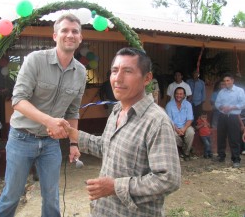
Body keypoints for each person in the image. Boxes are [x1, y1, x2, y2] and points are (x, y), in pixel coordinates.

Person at [57, 47, 181, 217]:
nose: (118, 78)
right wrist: (71, 132)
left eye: (128, 71)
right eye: (114, 71)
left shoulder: (156, 121)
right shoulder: (117, 110)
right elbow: (106, 147)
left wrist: (115, 186)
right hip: (104, 210)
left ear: (147, 78)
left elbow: (169, 180)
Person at [0, 13, 86, 217]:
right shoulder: (36, 60)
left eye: (75, 31)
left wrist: (73, 144)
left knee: (51, 197)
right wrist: (49, 121)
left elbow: (73, 111)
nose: (70, 35)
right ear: (55, 36)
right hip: (21, 138)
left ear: (80, 38)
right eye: (65, 30)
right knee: (11, 195)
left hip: (51, 143)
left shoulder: (81, 72)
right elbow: (18, 100)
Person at [215, 72, 245, 168]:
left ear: (232, 81)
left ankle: (236, 159)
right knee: (221, 137)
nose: (226, 82)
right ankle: (221, 156)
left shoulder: (239, 91)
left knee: (234, 138)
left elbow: (243, 104)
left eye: (228, 80)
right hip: (222, 116)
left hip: (233, 117)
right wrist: (222, 107)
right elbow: (217, 103)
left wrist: (231, 108)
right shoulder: (222, 92)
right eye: (224, 81)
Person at [166, 87, 195, 161]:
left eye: (181, 94)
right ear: (174, 94)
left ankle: (186, 153)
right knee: (172, 135)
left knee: (191, 132)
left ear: (184, 95)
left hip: (185, 126)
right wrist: (177, 130)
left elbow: (190, 119)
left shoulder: (188, 104)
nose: (178, 95)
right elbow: (169, 120)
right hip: (173, 127)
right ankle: (185, 146)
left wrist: (184, 129)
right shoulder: (169, 105)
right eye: (177, 94)